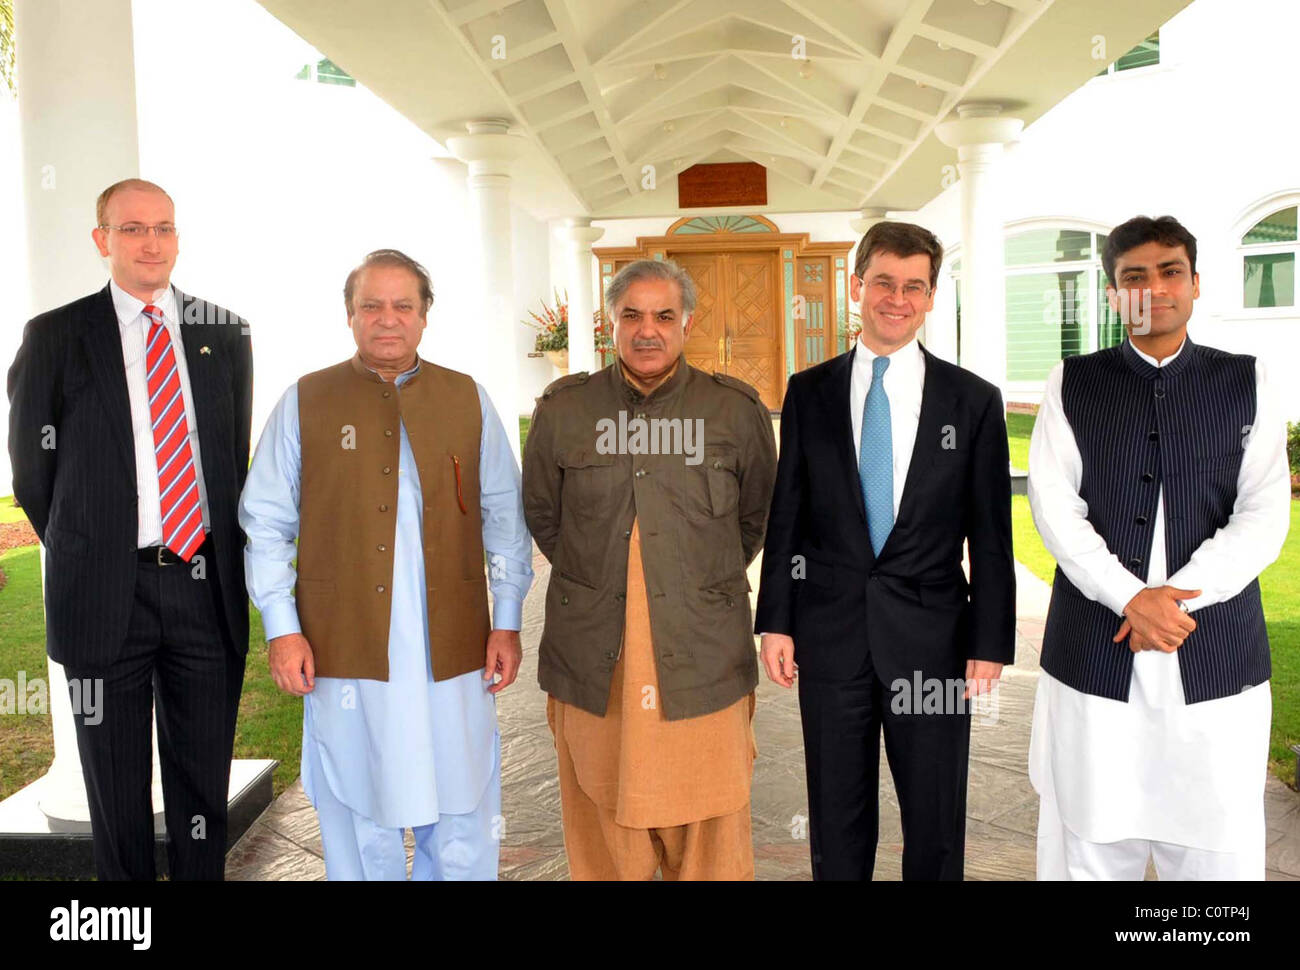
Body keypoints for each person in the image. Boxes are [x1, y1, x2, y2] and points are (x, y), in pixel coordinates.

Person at [239, 249, 532, 880]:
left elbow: (505, 518)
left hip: (452, 645)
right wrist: (283, 628)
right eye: (371, 305)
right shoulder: (305, 401)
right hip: (343, 642)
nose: (388, 319)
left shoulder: (467, 398)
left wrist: (505, 620)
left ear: (426, 315)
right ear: (349, 315)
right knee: (357, 797)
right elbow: (265, 522)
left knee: (460, 797)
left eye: (404, 305)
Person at [1027, 215, 1291, 880]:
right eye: (1133, 277)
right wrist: (1129, 598)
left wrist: (1173, 600)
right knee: (1086, 841)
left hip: (1215, 651)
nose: (1154, 288)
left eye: (1170, 271)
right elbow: (1054, 507)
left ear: (1196, 284)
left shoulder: (1247, 380)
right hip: (1096, 651)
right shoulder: (1071, 383)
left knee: (1216, 847)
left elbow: (1263, 512)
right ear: (1114, 294)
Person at [7, 178, 253, 880]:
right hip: (104, 596)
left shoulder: (222, 331)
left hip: (205, 591)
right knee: (115, 795)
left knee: (202, 785)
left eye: (165, 228)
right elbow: (33, 475)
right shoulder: (56, 336)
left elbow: (227, 458)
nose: (153, 243)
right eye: (134, 228)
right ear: (102, 240)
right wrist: (93, 550)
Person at [754, 221, 1016, 880]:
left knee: (933, 819)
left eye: (914, 286)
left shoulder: (973, 401)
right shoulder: (809, 392)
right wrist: (777, 620)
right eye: (883, 283)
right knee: (835, 818)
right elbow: (789, 516)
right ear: (856, 286)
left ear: (930, 297)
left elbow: (990, 531)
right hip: (829, 635)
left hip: (932, 641)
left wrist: (989, 641)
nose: (896, 299)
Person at [523, 258, 777, 880]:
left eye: (664, 316)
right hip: (594, 658)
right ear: (611, 323)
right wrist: (614, 575)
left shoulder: (734, 411)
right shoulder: (565, 409)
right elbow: (545, 517)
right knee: (604, 827)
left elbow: (757, 520)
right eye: (632, 315)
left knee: (712, 834)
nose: (647, 330)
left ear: (687, 323)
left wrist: (684, 578)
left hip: (705, 656)